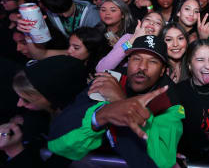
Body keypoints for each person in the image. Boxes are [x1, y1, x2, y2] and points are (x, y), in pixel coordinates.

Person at [47, 35, 184, 168]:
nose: (142, 67)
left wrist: (120, 101)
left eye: (153, 61)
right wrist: (101, 115)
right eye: (136, 58)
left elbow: (162, 162)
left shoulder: (168, 98)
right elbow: (58, 139)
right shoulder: (109, 79)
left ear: (162, 71)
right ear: (128, 61)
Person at [0, 56, 88, 167]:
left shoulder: (77, 130)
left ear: (54, 97)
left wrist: (14, 150)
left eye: (27, 100)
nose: (19, 104)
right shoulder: (61, 110)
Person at [175, 39, 209, 163]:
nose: (208, 66)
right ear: (189, 65)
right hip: (192, 160)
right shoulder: (179, 92)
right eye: (200, 60)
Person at [96, 11, 165, 72]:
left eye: (158, 23)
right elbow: (101, 68)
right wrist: (133, 39)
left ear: (162, 31)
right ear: (141, 23)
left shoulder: (161, 46)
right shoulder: (128, 38)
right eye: (148, 19)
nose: (152, 23)